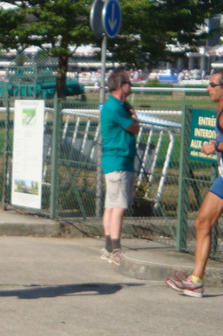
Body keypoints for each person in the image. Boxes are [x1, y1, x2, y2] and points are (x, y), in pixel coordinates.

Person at [166, 68, 223, 298]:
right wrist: (218, 142)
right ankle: (196, 281)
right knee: (202, 222)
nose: (208, 89)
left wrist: (216, 146)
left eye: (212, 85)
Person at [100, 70, 140, 265]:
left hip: (115, 160)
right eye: (128, 83)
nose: (130, 86)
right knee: (118, 207)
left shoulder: (116, 105)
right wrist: (133, 114)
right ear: (119, 86)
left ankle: (109, 246)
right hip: (118, 160)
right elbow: (134, 127)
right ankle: (115, 249)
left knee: (111, 206)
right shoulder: (116, 108)